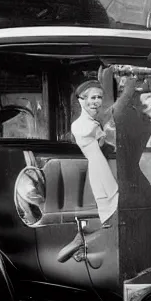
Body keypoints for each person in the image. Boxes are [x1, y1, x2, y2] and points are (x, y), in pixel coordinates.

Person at [57, 80, 119, 263]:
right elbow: (102, 145)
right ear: (81, 100)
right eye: (92, 98)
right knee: (112, 205)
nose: (96, 102)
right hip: (99, 168)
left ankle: (84, 239)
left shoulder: (94, 123)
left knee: (111, 209)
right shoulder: (81, 125)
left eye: (99, 97)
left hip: (103, 166)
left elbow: (106, 145)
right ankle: (83, 240)